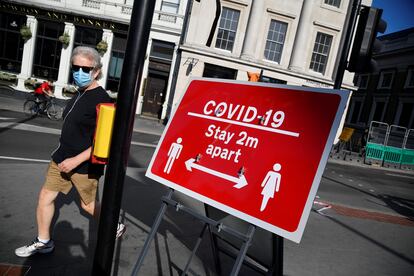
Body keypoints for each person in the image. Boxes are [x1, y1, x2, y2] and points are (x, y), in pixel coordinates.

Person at [15, 46, 125, 258]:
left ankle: (114, 226)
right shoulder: (79, 93)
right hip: (60, 158)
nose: (79, 72)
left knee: (87, 205)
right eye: (76, 67)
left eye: (85, 68)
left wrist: (75, 161)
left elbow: (106, 141)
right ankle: (44, 241)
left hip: (83, 165)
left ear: (96, 71)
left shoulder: (102, 99)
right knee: (45, 197)